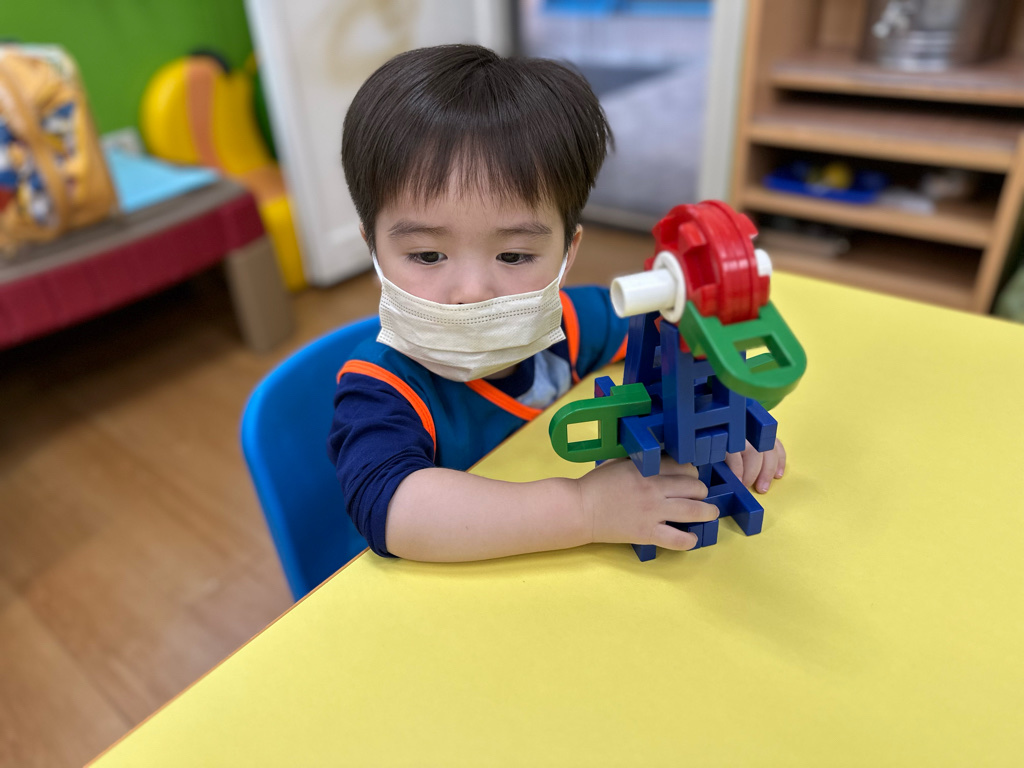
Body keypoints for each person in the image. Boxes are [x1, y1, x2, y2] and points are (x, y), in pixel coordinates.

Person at [328, 44, 785, 562]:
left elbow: (678, 335)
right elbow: (394, 512)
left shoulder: (571, 322)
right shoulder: (380, 387)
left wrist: (722, 417)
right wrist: (585, 509)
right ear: (373, 248)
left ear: (569, 252)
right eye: (428, 255)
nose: (472, 291)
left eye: (514, 255)